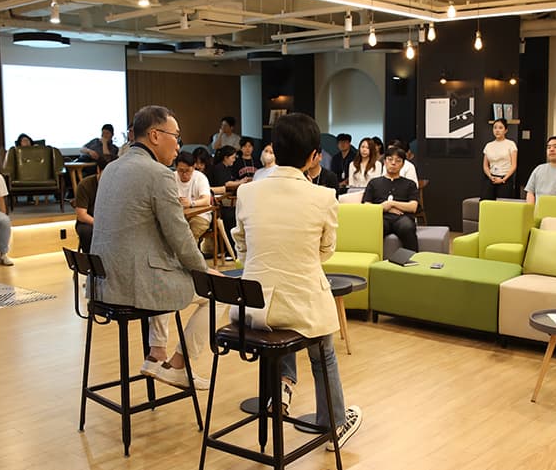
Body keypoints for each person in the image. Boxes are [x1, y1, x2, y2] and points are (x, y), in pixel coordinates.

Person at [231, 112, 363, 450]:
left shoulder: (247, 193)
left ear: (273, 149)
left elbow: (242, 249)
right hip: (302, 308)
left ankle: (282, 389)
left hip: (252, 310)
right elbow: (326, 251)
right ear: (314, 156)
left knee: (283, 310)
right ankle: (334, 424)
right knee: (324, 351)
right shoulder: (324, 197)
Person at [91, 105, 222, 390]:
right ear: (154, 135)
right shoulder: (158, 174)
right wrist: (204, 271)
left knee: (167, 270)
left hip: (101, 284)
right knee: (220, 294)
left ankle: (156, 354)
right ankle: (178, 365)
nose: (178, 145)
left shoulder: (111, 168)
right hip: (134, 285)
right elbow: (180, 236)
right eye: (176, 136)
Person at [362, 147, 420, 252]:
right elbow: (366, 205)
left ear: (402, 164)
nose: (393, 163)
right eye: (390, 159)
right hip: (381, 217)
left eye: (398, 161)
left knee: (407, 227)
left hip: (402, 217)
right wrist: (383, 207)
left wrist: (392, 204)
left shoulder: (410, 184)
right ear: (384, 162)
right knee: (376, 227)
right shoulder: (374, 183)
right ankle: (371, 257)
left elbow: (413, 207)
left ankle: (411, 258)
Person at [175, 151, 213, 242]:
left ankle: (190, 251)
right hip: (179, 215)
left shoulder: (200, 178)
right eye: (181, 170)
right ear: (176, 167)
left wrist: (191, 203)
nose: (184, 174)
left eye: (187, 170)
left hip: (200, 215)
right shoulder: (172, 177)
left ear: (193, 167)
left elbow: (206, 200)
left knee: (189, 236)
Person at [482, 118, 518, 199]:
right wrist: (490, 176)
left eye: (500, 128)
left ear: (506, 130)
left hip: (505, 178)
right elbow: (485, 166)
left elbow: (513, 165)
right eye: (495, 128)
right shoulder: (488, 145)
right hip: (491, 178)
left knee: (503, 203)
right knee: (486, 202)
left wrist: (503, 179)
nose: (497, 130)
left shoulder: (511, 144)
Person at [74, 169, 100, 253]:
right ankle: (90, 259)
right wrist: (100, 224)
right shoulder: (85, 184)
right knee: (86, 232)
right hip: (89, 221)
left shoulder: (116, 185)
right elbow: (81, 215)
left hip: (110, 220)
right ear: (98, 170)